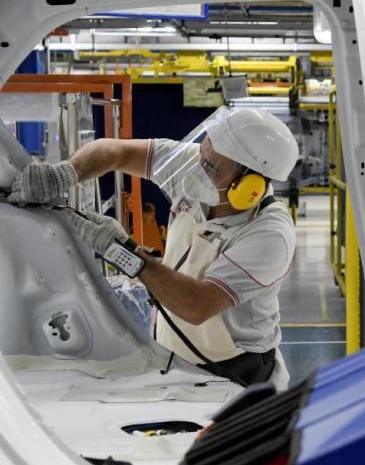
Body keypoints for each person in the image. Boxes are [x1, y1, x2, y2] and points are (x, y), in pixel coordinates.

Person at [8, 107, 299, 389]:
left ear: (249, 186)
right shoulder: (195, 166)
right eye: (202, 154)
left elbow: (197, 305)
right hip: (173, 351)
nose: (198, 169)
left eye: (210, 167)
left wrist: (122, 251)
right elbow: (114, 151)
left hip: (236, 369)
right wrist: (64, 174)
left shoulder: (269, 234)